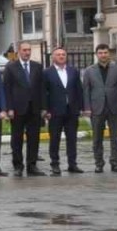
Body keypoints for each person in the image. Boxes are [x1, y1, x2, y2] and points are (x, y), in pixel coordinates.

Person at [82, 43, 117, 173]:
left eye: (105, 52)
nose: (103, 55)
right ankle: (99, 163)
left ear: (109, 54)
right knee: (97, 138)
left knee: (115, 137)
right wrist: (87, 108)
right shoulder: (89, 71)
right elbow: (86, 91)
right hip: (96, 108)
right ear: (96, 55)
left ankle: (115, 163)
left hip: (114, 108)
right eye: (100, 53)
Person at [2, 42, 46, 177]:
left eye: (29, 50)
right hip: (17, 108)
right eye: (24, 50)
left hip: (34, 108)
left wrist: (43, 107)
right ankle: (18, 166)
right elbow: (7, 89)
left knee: (34, 138)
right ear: (19, 51)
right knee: (17, 138)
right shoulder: (11, 67)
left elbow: (42, 89)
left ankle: (32, 165)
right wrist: (9, 108)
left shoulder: (37, 67)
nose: (27, 52)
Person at [42, 47, 84, 176]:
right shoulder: (47, 73)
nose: (61, 56)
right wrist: (45, 110)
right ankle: (55, 164)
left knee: (72, 139)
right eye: (58, 54)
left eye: (63, 54)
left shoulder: (73, 71)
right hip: (54, 112)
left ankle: (73, 164)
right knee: (54, 139)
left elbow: (79, 90)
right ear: (53, 57)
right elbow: (44, 93)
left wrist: (81, 107)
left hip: (71, 111)